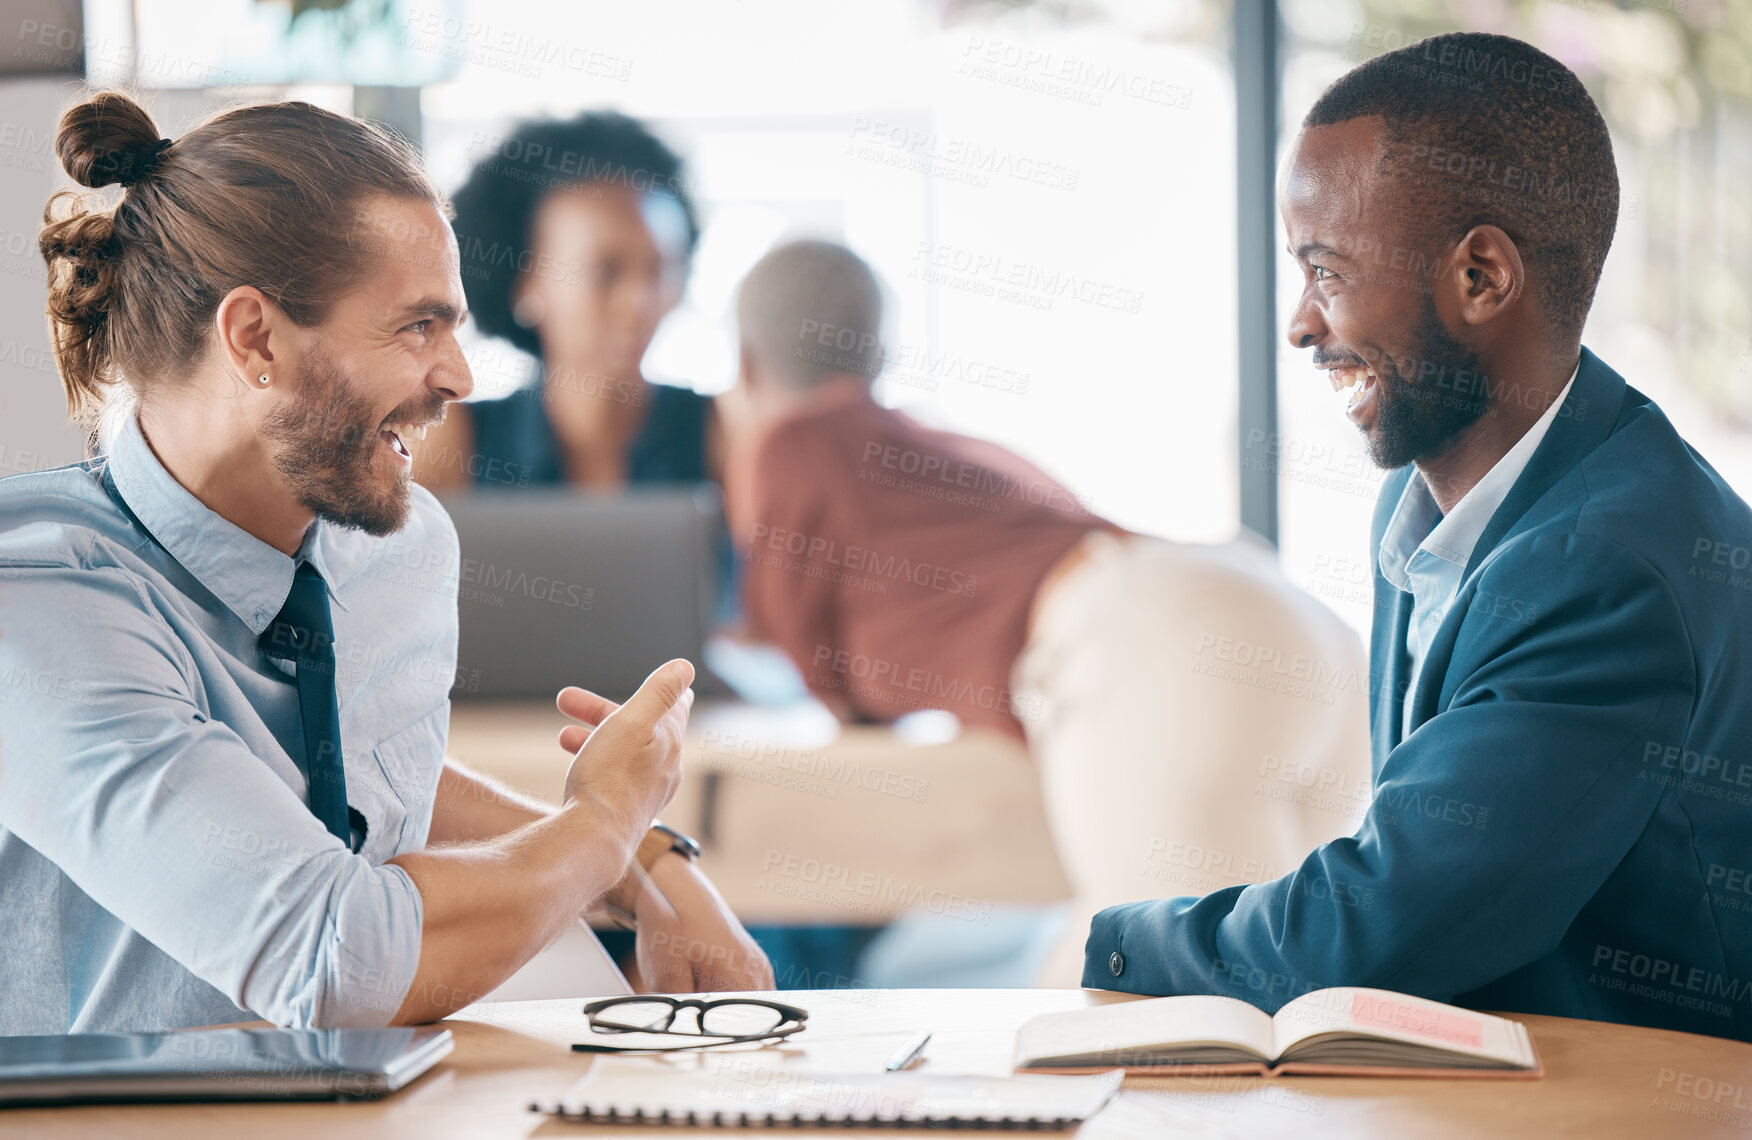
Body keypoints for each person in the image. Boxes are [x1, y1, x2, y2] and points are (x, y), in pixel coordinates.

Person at [0, 92, 770, 1035]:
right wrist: (602, 824)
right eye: (417, 328)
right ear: (256, 340)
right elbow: (333, 961)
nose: (459, 375)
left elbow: (369, 776)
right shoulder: (37, 599)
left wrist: (647, 861)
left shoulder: (393, 551)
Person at [1084, 32, 1752, 1043]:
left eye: (1326, 271)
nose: (1303, 325)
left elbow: (1372, 927)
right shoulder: (1443, 509)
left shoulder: (1610, 567)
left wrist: (1111, 948)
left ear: (1482, 278)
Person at [725, 241, 1371, 984]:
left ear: (745, 364)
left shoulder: (790, 441)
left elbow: (799, 643)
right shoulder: (939, 448)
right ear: (880, 350)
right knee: (1290, 1003)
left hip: (1154, 642)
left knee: (1157, 1012)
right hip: (1273, 613)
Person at [413, 111, 718, 493]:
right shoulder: (455, 445)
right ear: (525, 281)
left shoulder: (722, 434)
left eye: (660, 270)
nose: (639, 303)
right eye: (606, 272)